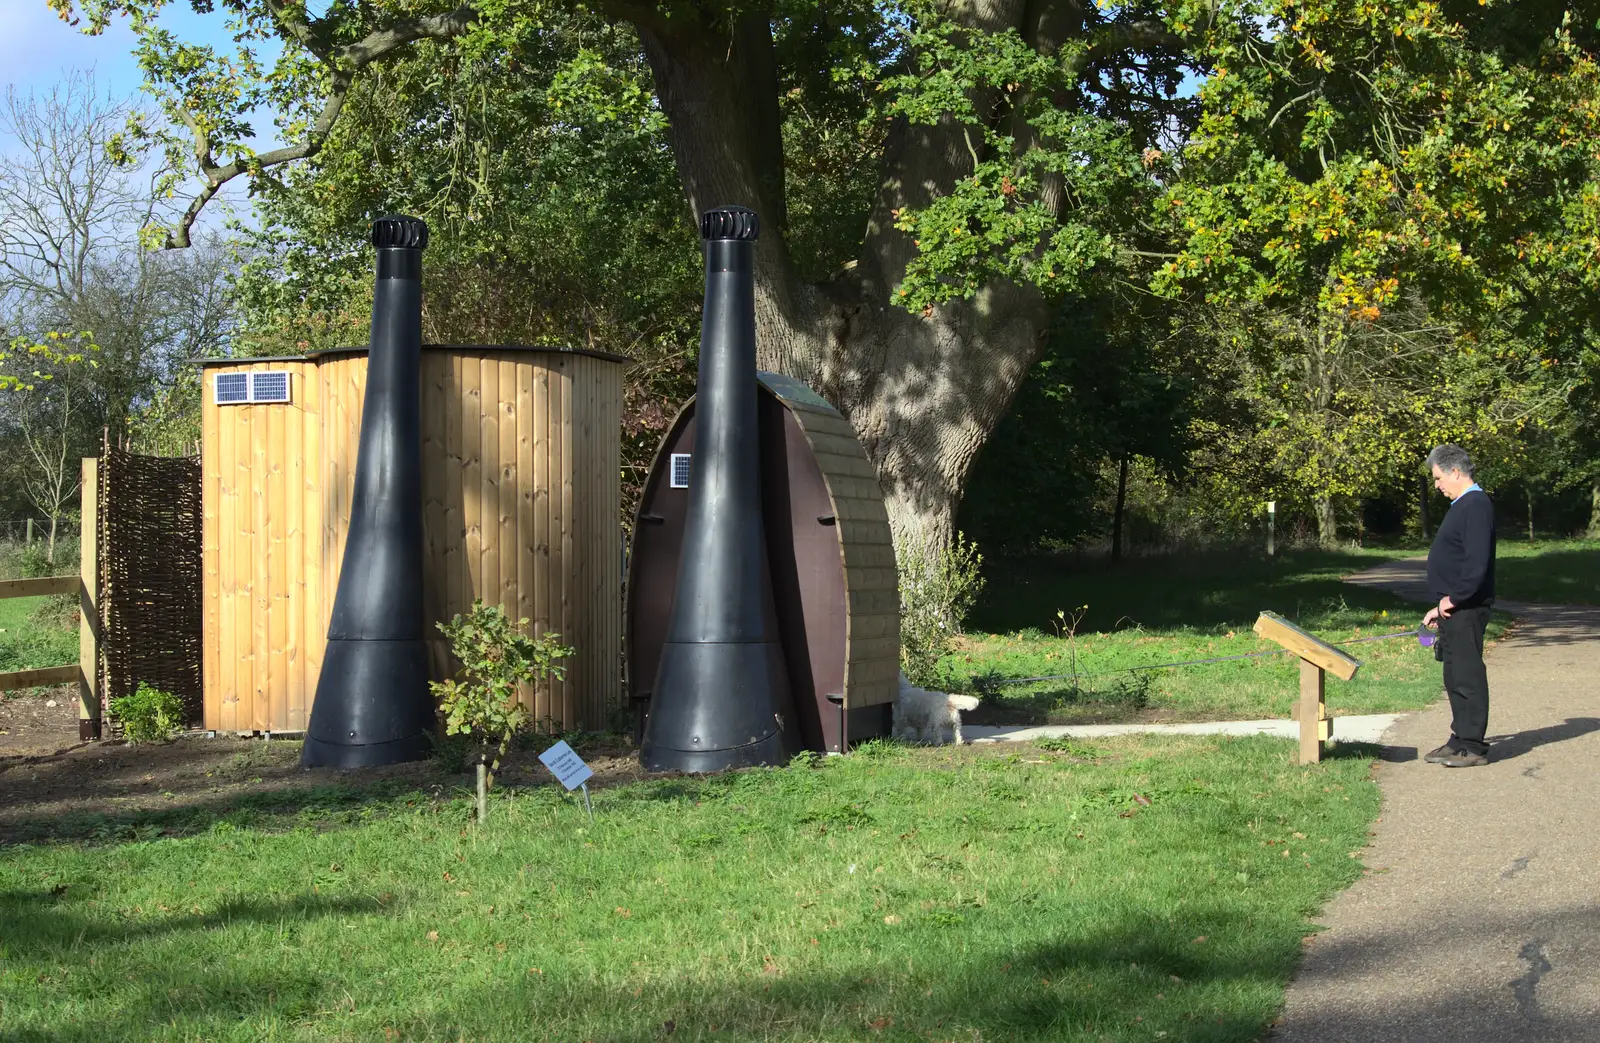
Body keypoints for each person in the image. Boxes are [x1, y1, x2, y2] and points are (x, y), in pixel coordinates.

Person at [1420, 444, 1497, 767]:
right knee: (1453, 675)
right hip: (1452, 608)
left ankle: (1474, 746)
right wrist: (1439, 607)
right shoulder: (1462, 505)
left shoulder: (1476, 505)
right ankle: (1459, 738)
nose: (1436, 485)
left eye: (1438, 478)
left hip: (1465, 607)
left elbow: (1476, 564)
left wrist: (1453, 600)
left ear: (1454, 471)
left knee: (1467, 675)